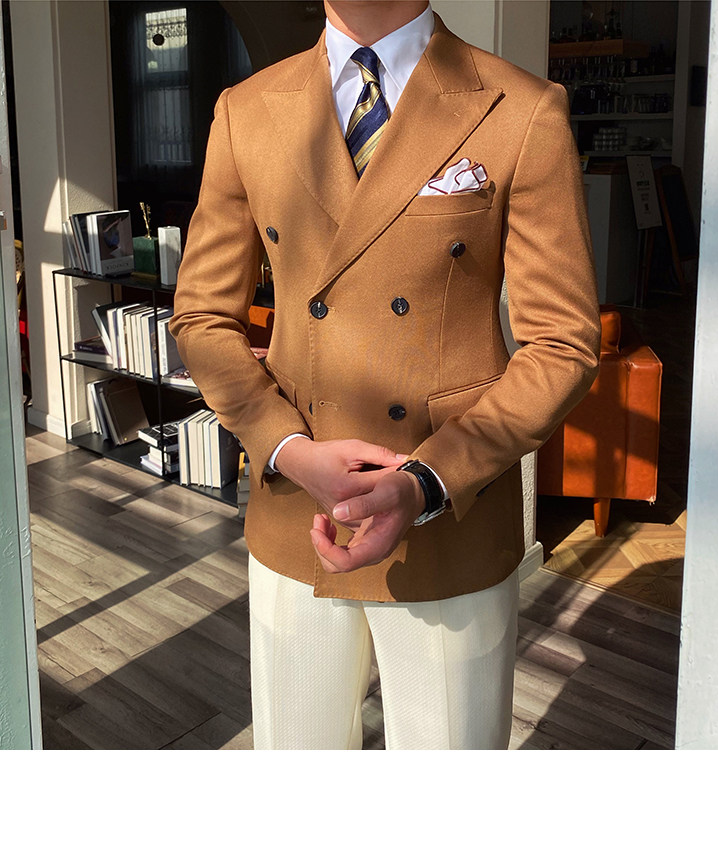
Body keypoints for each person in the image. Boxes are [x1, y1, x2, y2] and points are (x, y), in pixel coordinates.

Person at [170, 0, 600, 749]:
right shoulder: (246, 110)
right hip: (298, 513)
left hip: (449, 519)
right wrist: (286, 448)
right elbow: (203, 315)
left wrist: (428, 479)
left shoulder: (522, 108)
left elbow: (562, 343)